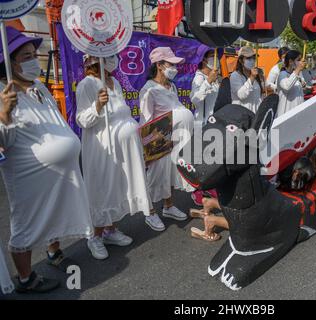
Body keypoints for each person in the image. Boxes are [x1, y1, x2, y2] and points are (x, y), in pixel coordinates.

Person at [0, 27, 92, 293]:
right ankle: (26, 278)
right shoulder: (3, 93)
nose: (33, 60)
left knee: (56, 211)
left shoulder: (38, 86)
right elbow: (3, 143)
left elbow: (54, 118)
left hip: (57, 172)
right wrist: (4, 114)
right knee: (26, 224)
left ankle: (54, 251)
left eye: (33, 54)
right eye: (26, 56)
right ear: (9, 63)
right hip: (28, 174)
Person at [76, 54, 152, 260]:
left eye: (113, 55)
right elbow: (82, 120)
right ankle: (95, 237)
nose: (113, 59)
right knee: (103, 189)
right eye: (108, 56)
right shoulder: (87, 84)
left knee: (117, 188)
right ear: (95, 60)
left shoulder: (115, 81)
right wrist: (97, 106)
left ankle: (110, 230)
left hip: (122, 149)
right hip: (102, 149)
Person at [140, 47, 194, 231]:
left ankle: (168, 206)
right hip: (159, 143)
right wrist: (147, 152)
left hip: (175, 141)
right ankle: (150, 212)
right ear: (159, 65)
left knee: (170, 175)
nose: (175, 68)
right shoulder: (148, 90)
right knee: (155, 178)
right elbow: (145, 122)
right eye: (171, 64)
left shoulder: (172, 87)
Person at [190, 49, 220, 125]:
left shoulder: (215, 78)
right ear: (204, 60)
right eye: (212, 56)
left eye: (216, 56)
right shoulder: (199, 78)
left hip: (214, 123)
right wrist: (208, 81)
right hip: (202, 126)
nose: (216, 59)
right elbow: (195, 99)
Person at [230, 46, 263, 113]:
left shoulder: (256, 75)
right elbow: (241, 95)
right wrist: (252, 78)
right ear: (241, 60)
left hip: (255, 115)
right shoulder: (235, 76)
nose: (252, 61)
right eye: (248, 58)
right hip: (241, 116)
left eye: (253, 58)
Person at [276, 50, 306, 117]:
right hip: (286, 114)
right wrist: (298, 69)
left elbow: (302, 86)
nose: (301, 62)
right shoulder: (282, 74)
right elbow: (287, 87)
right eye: (298, 60)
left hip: (297, 113)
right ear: (290, 61)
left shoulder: (297, 73)